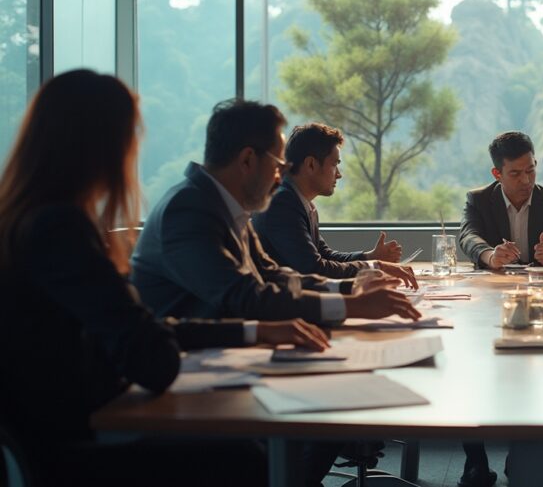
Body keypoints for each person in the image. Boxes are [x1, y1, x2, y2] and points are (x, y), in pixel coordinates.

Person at [0, 70, 334, 487]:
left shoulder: (30, 219)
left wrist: (254, 333)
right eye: (130, 138)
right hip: (67, 450)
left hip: (65, 429)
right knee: (245, 456)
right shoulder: (59, 229)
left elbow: (146, 331)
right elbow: (151, 355)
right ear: (102, 146)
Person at [131, 100, 420, 325]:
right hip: (187, 366)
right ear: (247, 160)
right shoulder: (188, 209)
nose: (281, 177)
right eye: (278, 166)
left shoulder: (223, 205)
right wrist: (352, 304)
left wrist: (349, 290)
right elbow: (244, 296)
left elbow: (272, 275)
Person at [252, 122, 414, 284]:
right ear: (311, 164)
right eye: (334, 164)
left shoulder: (301, 202)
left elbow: (325, 255)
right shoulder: (282, 204)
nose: (339, 174)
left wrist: (369, 257)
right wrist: (375, 266)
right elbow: (315, 268)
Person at [459, 131, 543, 269]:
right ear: (497, 174)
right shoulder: (479, 200)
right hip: (497, 285)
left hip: (541, 286)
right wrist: (491, 256)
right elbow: (469, 237)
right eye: (515, 173)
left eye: (530, 170)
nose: (525, 180)